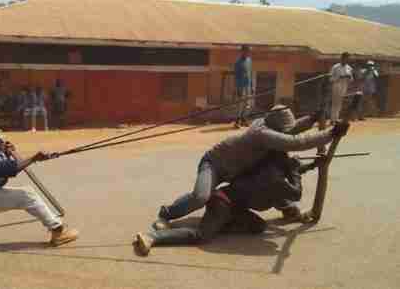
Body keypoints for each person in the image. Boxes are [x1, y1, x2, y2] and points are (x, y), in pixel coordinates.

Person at [152, 105, 350, 231]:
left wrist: (311, 119)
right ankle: (166, 214)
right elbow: (294, 141)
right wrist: (331, 133)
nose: (284, 131)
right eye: (282, 130)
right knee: (200, 197)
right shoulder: (261, 133)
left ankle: (286, 206)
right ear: (275, 127)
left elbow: (289, 132)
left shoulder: (269, 126)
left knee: (270, 176)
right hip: (214, 164)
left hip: (239, 169)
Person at [134, 151, 326, 256]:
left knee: (258, 226)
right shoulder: (276, 181)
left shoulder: (269, 166)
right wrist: (297, 169)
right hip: (223, 202)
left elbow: (293, 174)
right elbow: (296, 191)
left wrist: (310, 166)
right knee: (201, 235)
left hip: (232, 204)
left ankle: (219, 223)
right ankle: (153, 237)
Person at [0, 127, 79, 246]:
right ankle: (58, 231)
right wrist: (34, 158)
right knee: (27, 195)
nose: (3, 142)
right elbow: (9, 171)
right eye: (1, 140)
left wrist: (7, 154)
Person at [329, 52, 354, 124]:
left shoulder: (349, 68)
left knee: (340, 103)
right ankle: (332, 119)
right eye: (345, 58)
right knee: (335, 103)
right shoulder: (335, 67)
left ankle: (336, 118)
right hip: (337, 85)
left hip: (344, 86)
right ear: (342, 58)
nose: (346, 60)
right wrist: (339, 77)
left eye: (348, 59)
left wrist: (349, 77)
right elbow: (330, 78)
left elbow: (351, 79)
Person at [233, 45, 253, 128]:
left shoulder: (249, 61)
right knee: (240, 105)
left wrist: (251, 86)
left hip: (247, 85)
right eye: (245, 51)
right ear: (242, 51)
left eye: (248, 51)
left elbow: (250, 73)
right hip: (241, 86)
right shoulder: (238, 62)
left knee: (247, 104)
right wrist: (238, 88)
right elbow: (236, 76)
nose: (247, 53)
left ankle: (244, 120)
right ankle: (237, 122)